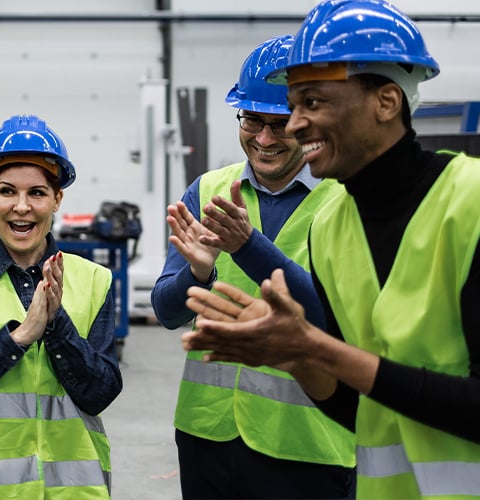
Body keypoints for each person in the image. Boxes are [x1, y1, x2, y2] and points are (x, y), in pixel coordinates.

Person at [182, 1, 480, 497]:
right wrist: (295, 355)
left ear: (386, 101)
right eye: (293, 104)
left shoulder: (469, 205)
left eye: (313, 102)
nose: (294, 124)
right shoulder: (336, 226)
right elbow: (355, 406)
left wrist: (315, 348)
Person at [151, 34, 354, 498]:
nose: (262, 139)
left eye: (279, 124)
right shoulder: (209, 190)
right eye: (251, 120)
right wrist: (198, 274)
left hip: (309, 442)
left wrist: (246, 246)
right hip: (207, 432)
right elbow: (166, 312)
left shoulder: (348, 198)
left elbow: (338, 318)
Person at [0, 114, 122, 498]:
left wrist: (57, 325)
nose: (21, 207)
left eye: (38, 193)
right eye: (8, 191)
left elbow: (101, 392)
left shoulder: (95, 280)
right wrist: (19, 338)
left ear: (57, 199)